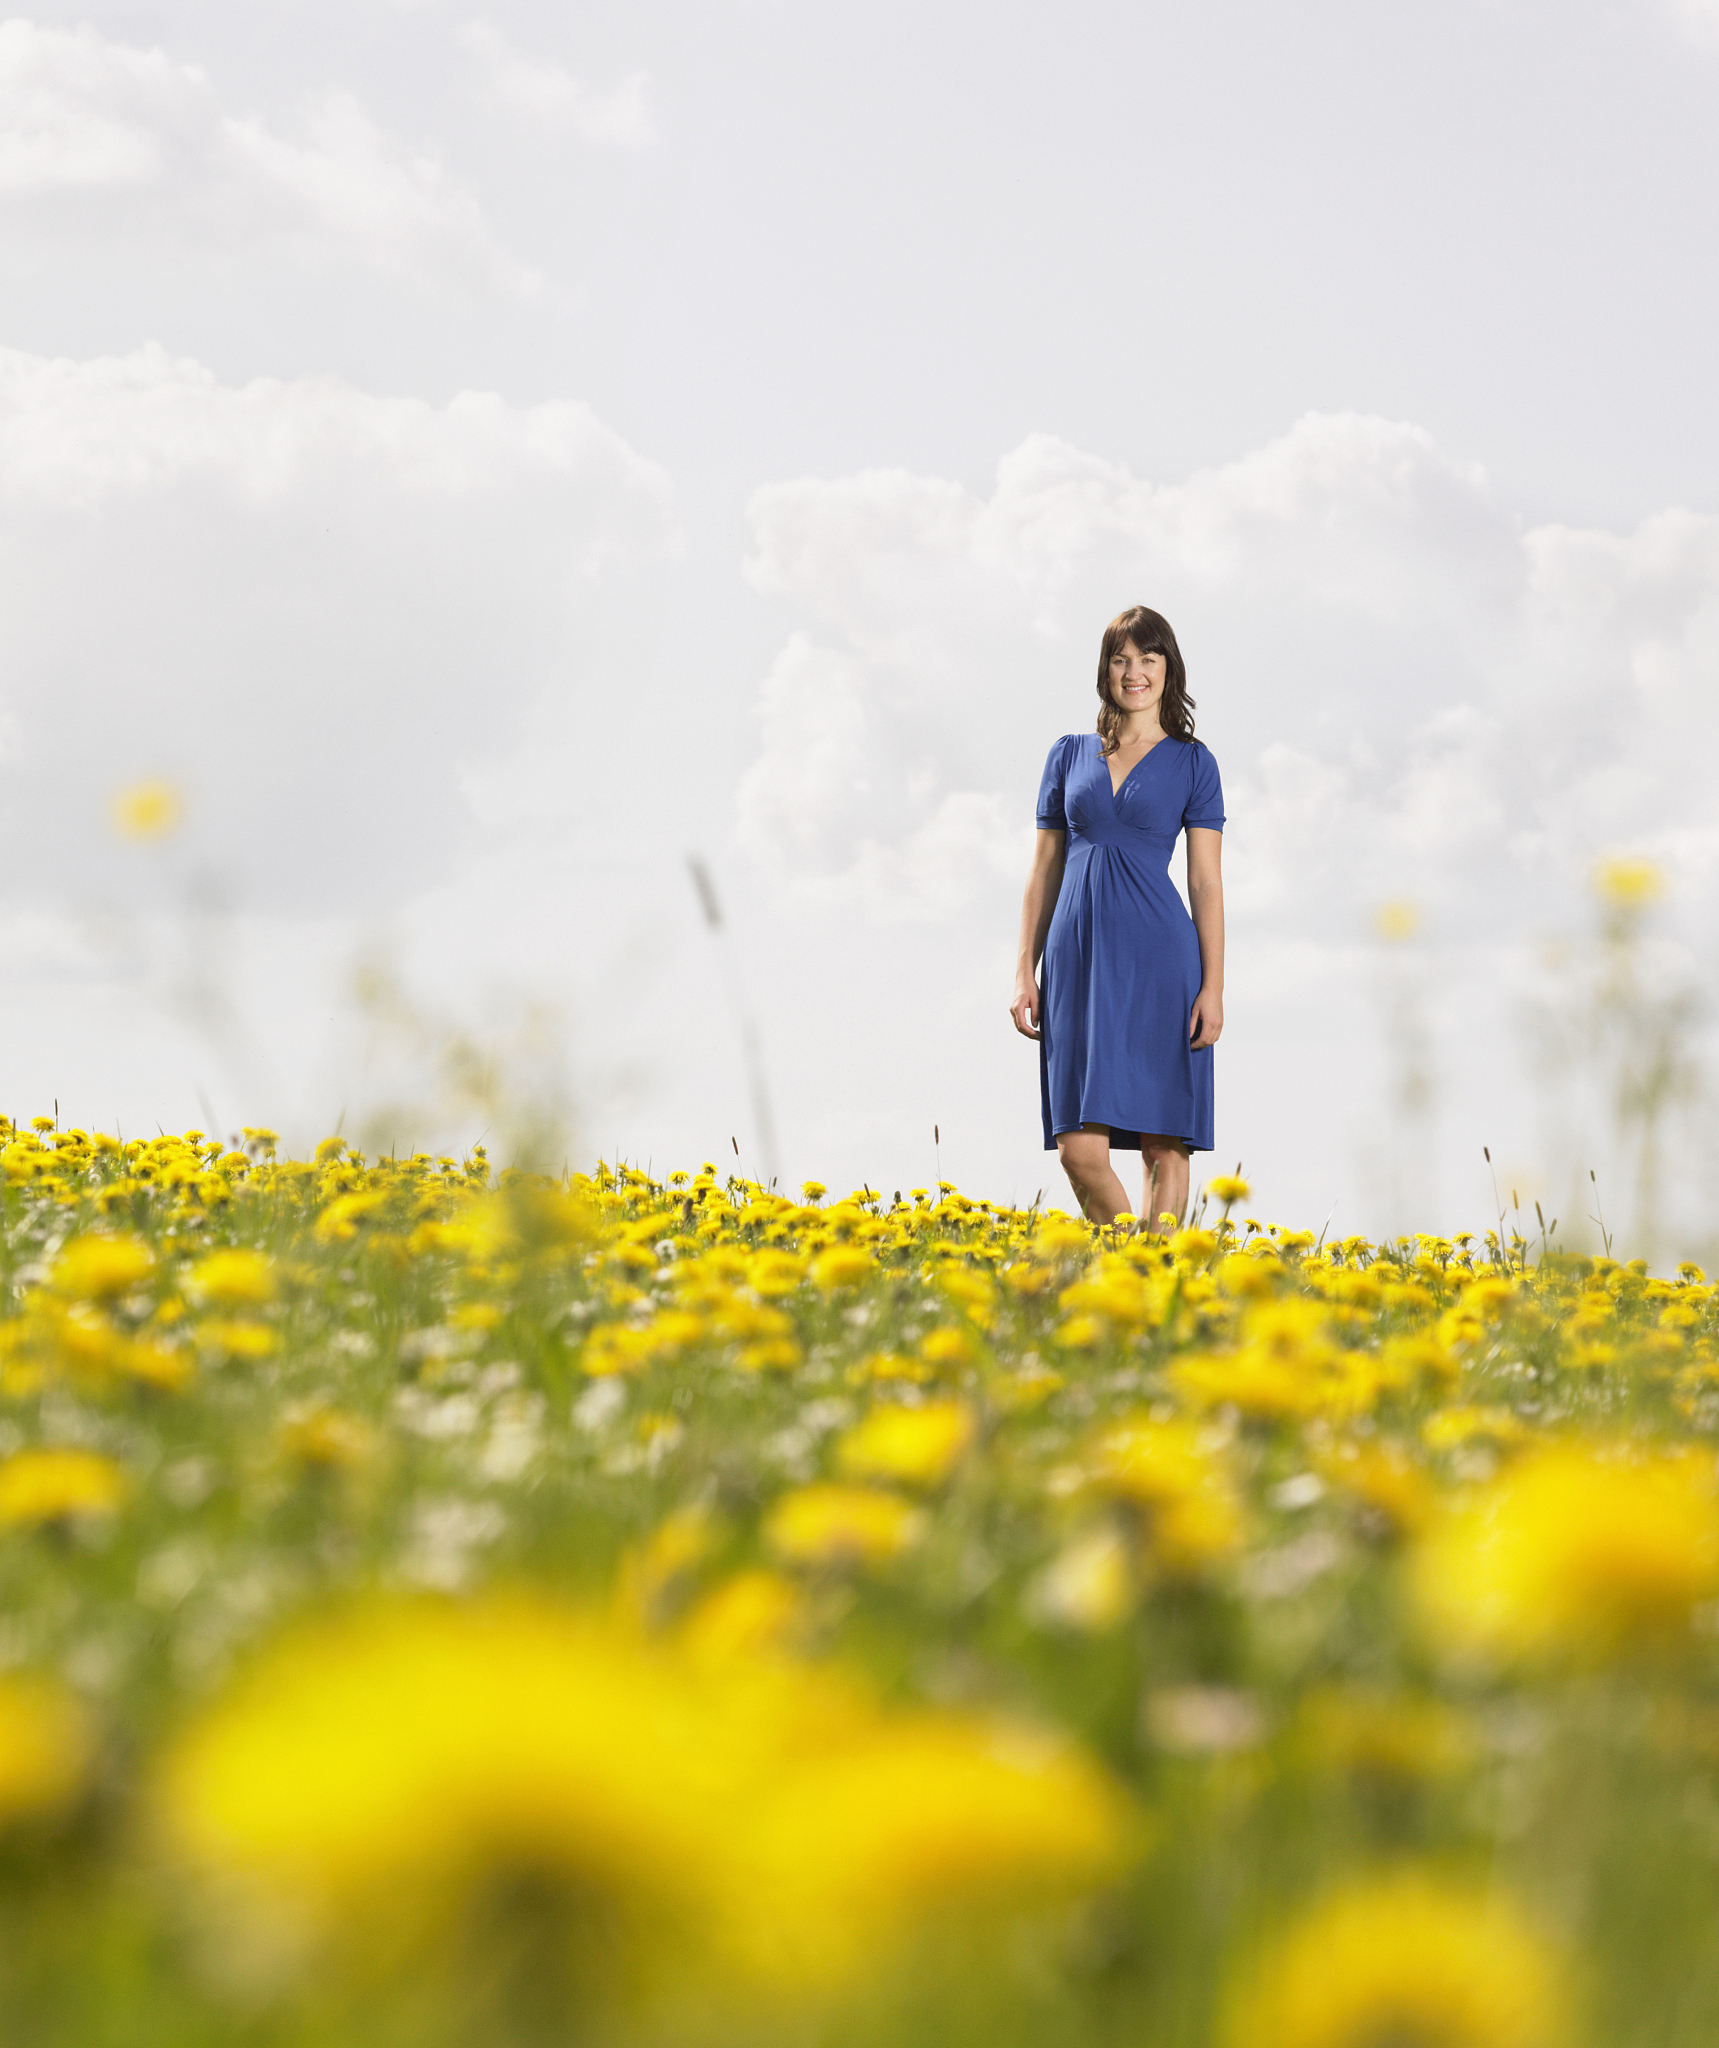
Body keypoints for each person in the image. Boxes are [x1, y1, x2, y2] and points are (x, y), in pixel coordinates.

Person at [1010, 606, 1225, 1230]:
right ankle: (1132, 1268)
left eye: (1148, 659)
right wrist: (1025, 969)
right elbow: (1043, 870)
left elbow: (1206, 881)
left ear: (1168, 669)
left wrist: (1213, 985)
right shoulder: (1068, 755)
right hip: (1077, 961)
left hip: (1161, 959)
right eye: (1121, 659)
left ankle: (1153, 1290)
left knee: (1164, 1139)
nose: (1134, 673)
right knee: (1080, 1151)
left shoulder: (1194, 763)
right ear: (1105, 670)